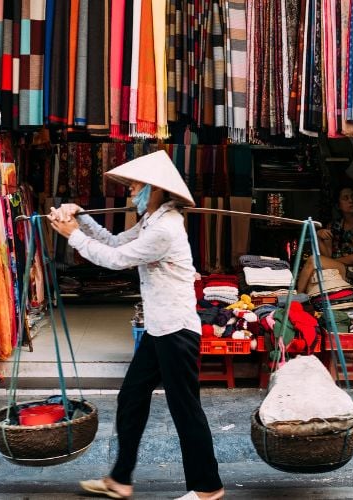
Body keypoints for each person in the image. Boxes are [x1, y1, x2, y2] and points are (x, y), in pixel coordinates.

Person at [48, 151, 224, 500]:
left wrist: (73, 235)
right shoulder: (151, 221)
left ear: (155, 189)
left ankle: (208, 488)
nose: (130, 192)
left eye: (135, 186)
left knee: (185, 409)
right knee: (131, 397)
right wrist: (81, 219)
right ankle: (120, 479)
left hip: (176, 331)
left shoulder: (165, 227)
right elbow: (114, 242)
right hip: (160, 329)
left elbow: (115, 260)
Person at [297, 228, 349, 295]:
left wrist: (328, 261)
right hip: (335, 263)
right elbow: (327, 255)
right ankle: (310, 298)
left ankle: (298, 295)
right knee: (313, 271)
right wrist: (318, 237)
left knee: (313, 260)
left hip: (350, 267)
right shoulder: (335, 224)